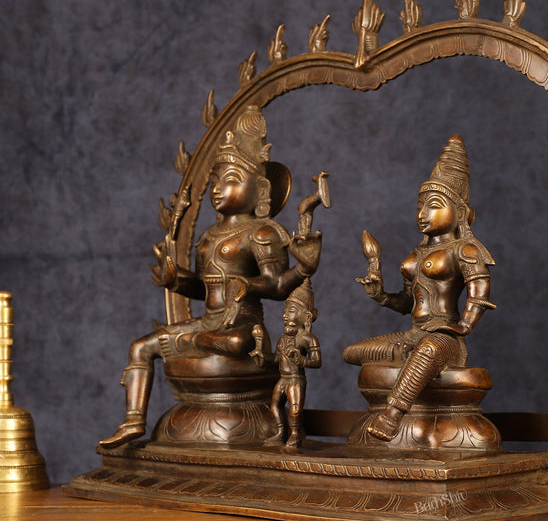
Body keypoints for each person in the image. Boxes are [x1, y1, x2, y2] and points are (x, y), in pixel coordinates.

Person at [100, 105, 322, 448]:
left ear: (261, 190)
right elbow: (203, 290)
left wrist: (298, 270)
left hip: (242, 326)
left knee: (235, 345)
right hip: (210, 324)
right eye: (215, 181)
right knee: (139, 347)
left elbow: (277, 286)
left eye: (230, 180)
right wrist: (176, 279)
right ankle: (133, 421)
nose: (218, 189)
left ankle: (200, 343)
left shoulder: (261, 233)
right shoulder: (207, 237)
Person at [342, 134, 495, 441]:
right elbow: (406, 303)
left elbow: (479, 293)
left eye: (434, 206)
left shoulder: (465, 249)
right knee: (352, 352)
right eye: (420, 206)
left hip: (444, 336)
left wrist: (462, 326)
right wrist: (381, 295)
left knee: (427, 350)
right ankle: (409, 358)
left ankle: (391, 417)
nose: (423, 214)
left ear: (461, 212)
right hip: (413, 334)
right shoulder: (418, 253)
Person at [251, 279, 321, 448]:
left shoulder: (308, 339)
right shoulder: (283, 339)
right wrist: (262, 356)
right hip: (283, 378)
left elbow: (317, 361)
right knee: (275, 405)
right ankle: (281, 432)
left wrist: (301, 360)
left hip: (296, 378)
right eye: (285, 311)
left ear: (307, 316)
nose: (285, 315)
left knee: (295, 410)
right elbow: (276, 359)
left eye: (291, 311)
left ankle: (295, 435)